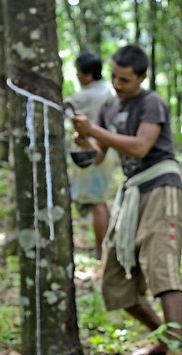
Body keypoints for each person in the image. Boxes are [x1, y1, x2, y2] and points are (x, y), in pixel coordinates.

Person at [71, 44, 182, 355]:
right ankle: (164, 339)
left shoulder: (151, 103)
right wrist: (83, 138)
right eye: (114, 77)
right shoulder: (107, 106)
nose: (118, 84)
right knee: (115, 277)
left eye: (125, 80)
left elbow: (139, 146)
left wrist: (95, 131)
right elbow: (98, 155)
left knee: (161, 267)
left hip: (161, 186)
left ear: (141, 77)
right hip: (131, 190)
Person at [65, 50, 114, 259]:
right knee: (101, 199)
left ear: (87, 74)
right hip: (108, 149)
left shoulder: (86, 95)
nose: (76, 76)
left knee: (97, 202)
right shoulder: (109, 91)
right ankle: (108, 245)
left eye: (78, 72)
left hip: (90, 150)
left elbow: (63, 107)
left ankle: (101, 250)